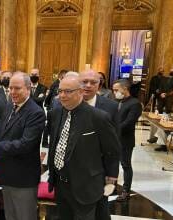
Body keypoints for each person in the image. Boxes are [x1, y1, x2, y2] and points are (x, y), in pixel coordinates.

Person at [47, 74, 120, 220]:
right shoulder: (55, 113)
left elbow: (112, 150)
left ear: (80, 92)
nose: (62, 95)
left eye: (68, 91)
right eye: (60, 91)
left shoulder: (98, 117)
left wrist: (111, 179)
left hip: (86, 185)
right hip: (61, 184)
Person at [0, 72, 46, 220]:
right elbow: (3, 132)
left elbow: (25, 145)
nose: (12, 92)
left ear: (28, 89)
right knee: (10, 215)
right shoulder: (10, 105)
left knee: (24, 216)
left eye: (17, 88)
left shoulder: (36, 112)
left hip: (24, 178)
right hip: (7, 174)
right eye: (10, 88)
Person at [112, 79, 142, 201]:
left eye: (116, 90)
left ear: (125, 89)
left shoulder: (135, 104)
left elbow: (129, 122)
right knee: (112, 164)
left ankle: (126, 190)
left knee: (125, 165)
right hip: (113, 138)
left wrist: (113, 129)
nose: (114, 92)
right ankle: (111, 187)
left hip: (125, 140)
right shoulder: (115, 102)